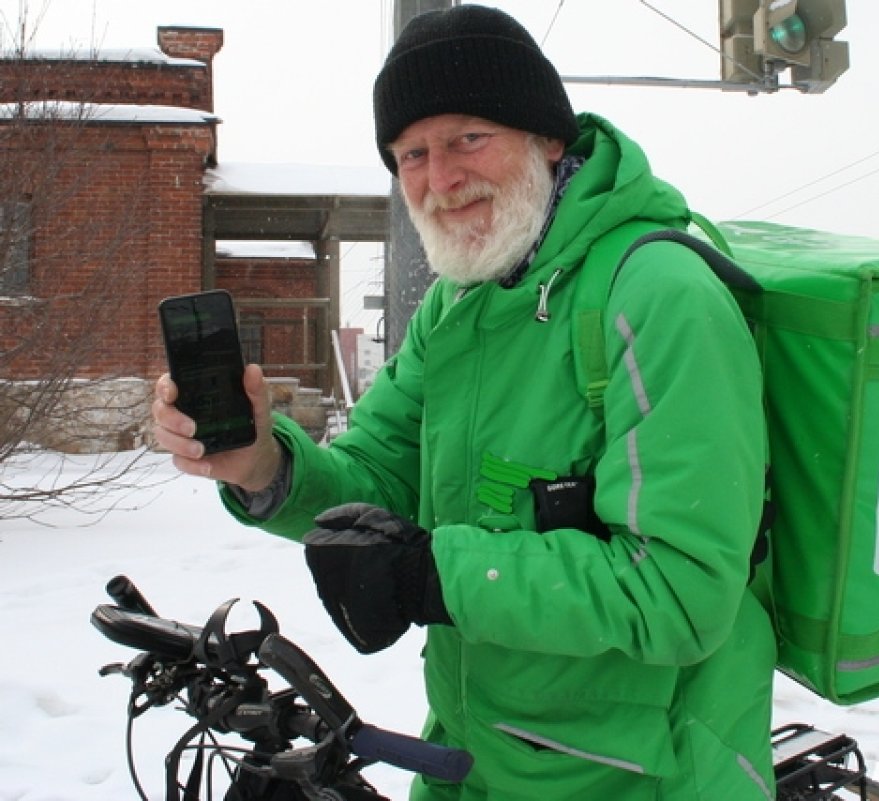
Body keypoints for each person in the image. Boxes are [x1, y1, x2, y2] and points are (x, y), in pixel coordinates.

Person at [152, 6, 775, 800]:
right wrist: (263, 465)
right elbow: (376, 476)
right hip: (471, 755)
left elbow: (681, 590)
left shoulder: (659, 297)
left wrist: (435, 575)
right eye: (412, 153)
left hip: (641, 776)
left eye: (467, 138)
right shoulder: (460, 307)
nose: (439, 179)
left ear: (549, 137)